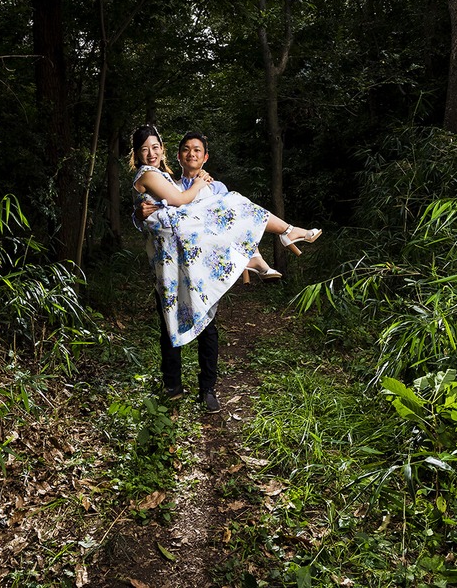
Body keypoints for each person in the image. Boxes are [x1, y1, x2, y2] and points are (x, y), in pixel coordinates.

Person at [129, 124, 322, 413]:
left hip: (199, 267)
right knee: (169, 320)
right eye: (145, 149)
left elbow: (229, 225)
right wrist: (138, 212)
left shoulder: (211, 185)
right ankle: (173, 388)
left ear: (204, 157)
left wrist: (242, 254)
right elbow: (162, 207)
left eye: (155, 147)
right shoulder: (169, 182)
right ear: (179, 156)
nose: (151, 153)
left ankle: (207, 388)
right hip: (170, 263)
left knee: (207, 324)